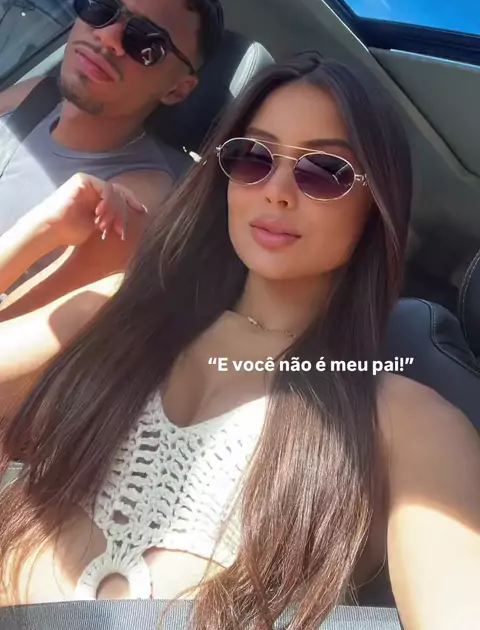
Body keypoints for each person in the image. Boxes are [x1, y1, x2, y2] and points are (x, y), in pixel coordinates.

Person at [0, 55, 479, 630]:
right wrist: (33, 238)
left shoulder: (407, 420)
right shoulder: (121, 309)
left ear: (375, 207)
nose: (276, 190)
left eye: (323, 171)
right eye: (253, 157)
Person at [0, 0, 224, 302]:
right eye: (101, 6)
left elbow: (20, 327)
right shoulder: (34, 93)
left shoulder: (134, 196)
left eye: (146, 42)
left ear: (177, 89)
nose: (107, 36)